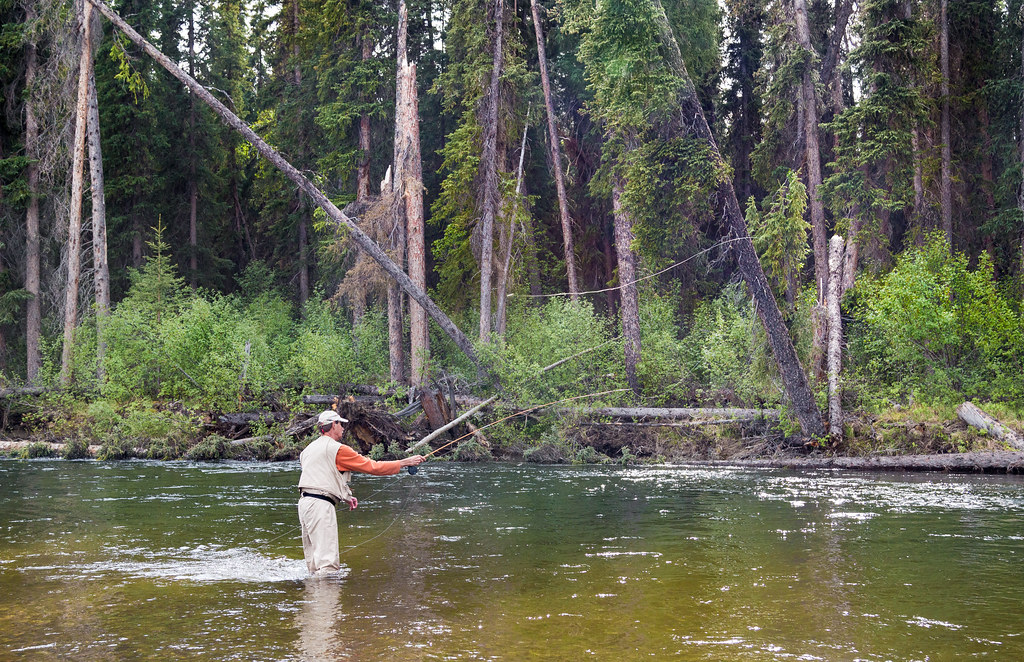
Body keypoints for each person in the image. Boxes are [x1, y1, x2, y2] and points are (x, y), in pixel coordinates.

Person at [297, 409, 426, 574]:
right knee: (328, 565)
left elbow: (322, 476)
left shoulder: (307, 450)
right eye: (340, 424)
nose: (344, 427)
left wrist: (346, 496)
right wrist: (404, 463)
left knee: (314, 564)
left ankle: (313, 596)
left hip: (304, 504)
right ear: (332, 425)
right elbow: (373, 467)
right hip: (321, 506)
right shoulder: (338, 449)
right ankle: (327, 599)